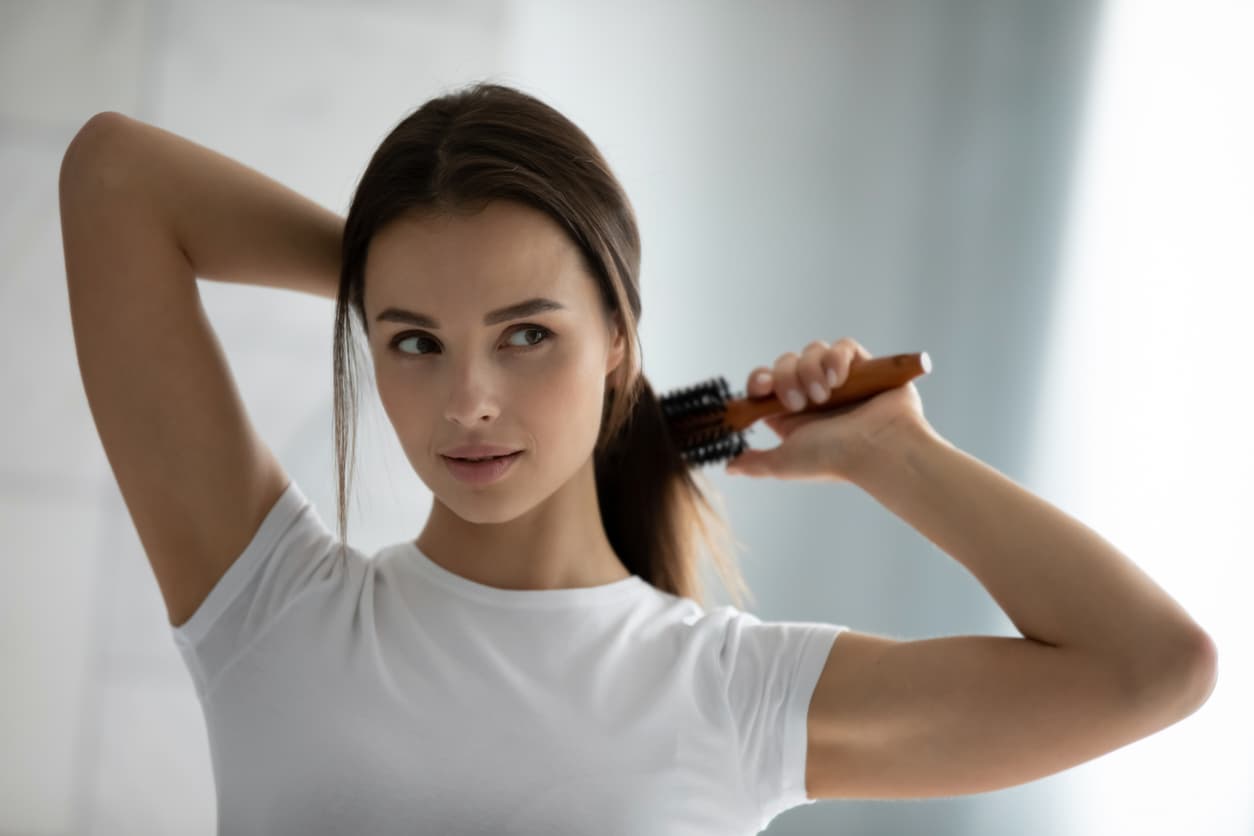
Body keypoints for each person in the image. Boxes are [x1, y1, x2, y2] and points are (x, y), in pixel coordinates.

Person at [59, 83, 1216, 835]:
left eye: (526, 333)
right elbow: (113, 174)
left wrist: (893, 455)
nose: (467, 400)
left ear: (620, 339)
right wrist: (374, 272)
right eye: (414, 340)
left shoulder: (731, 697)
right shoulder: (271, 615)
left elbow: (1156, 668)